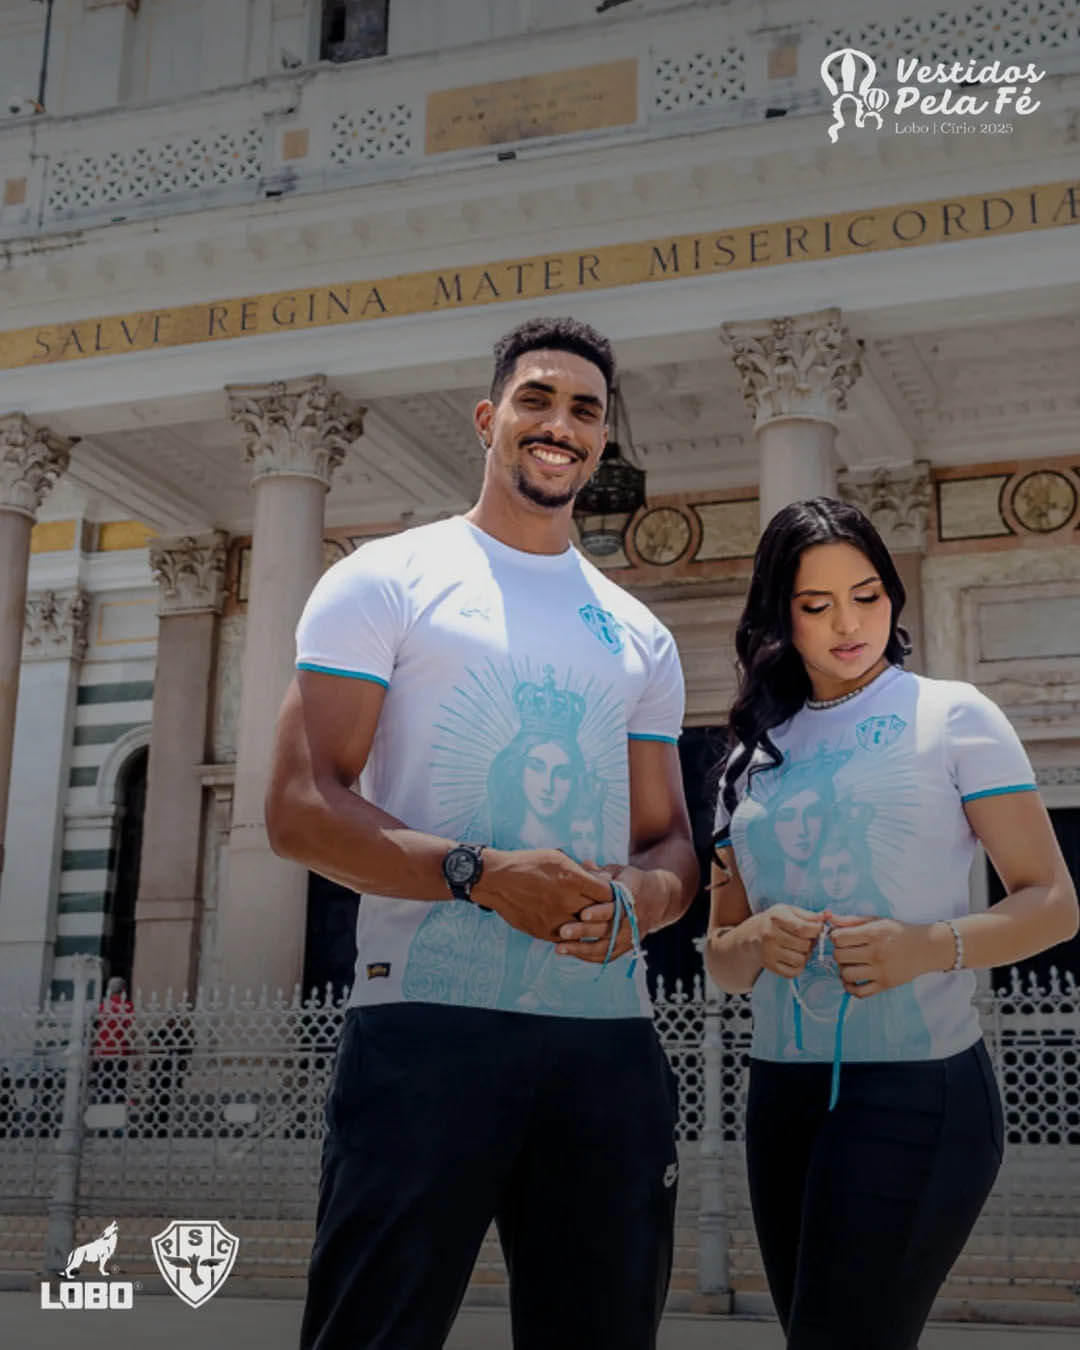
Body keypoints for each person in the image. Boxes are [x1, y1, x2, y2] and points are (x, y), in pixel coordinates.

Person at [266, 316, 699, 1350]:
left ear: (602, 439)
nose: (560, 425)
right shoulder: (386, 579)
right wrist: (481, 874)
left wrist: (647, 897)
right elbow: (298, 807)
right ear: (486, 418)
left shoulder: (640, 633)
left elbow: (672, 842)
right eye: (535, 400)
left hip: (608, 1041)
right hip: (425, 1029)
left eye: (584, 409)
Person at [704, 497, 1078, 1350]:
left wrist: (927, 948)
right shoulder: (748, 759)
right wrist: (753, 940)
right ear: (781, 616)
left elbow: (1054, 904)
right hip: (780, 1095)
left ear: (892, 596)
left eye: (867, 595)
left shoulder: (956, 716)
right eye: (817, 604)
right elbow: (721, 959)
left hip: (916, 1090)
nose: (848, 624)